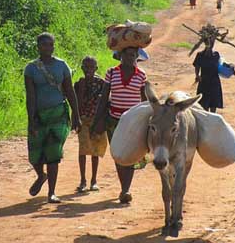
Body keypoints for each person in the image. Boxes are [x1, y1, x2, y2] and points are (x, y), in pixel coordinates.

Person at [24, 32, 81, 203]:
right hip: (39, 115)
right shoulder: (31, 68)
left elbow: (70, 91)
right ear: (38, 47)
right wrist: (31, 120)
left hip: (58, 114)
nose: (48, 48)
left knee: (53, 153)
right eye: (44, 45)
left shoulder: (62, 66)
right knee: (34, 154)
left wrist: (76, 115)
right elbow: (30, 96)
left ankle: (52, 193)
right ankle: (41, 176)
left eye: (50, 44)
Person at [91, 47, 147, 204]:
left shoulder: (141, 75)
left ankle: (125, 189)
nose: (130, 58)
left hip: (133, 121)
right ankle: (124, 187)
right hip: (113, 119)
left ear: (137, 57)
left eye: (133, 55)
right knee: (118, 153)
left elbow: (144, 101)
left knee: (130, 154)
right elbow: (104, 97)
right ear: (120, 56)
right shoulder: (111, 72)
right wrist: (97, 120)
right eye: (127, 55)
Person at [74, 56, 107, 193]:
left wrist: (101, 122)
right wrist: (75, 120)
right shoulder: (79, 84)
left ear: (96, 69)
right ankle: (83, 180)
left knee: (95, 150)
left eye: (91, 67)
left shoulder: (102, 83)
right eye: (86, 67)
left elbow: (104, 103)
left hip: (96, 120)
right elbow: (76, 104)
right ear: (82, 68)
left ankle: (94, 180)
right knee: (82, 150)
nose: (88, 70)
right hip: (83, 119)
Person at [193, 36, 223, 113]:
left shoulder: (216, 55)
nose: (210, 44)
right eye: (209, 43)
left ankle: (212, 119)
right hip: (204, 81)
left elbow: (221, 65)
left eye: (212, 43)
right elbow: (197, 66)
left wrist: (230, 68)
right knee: (204, 104)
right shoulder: (200, 55)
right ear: (205, 43)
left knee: (214, 104)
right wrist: (197, 75)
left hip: (214, 82)